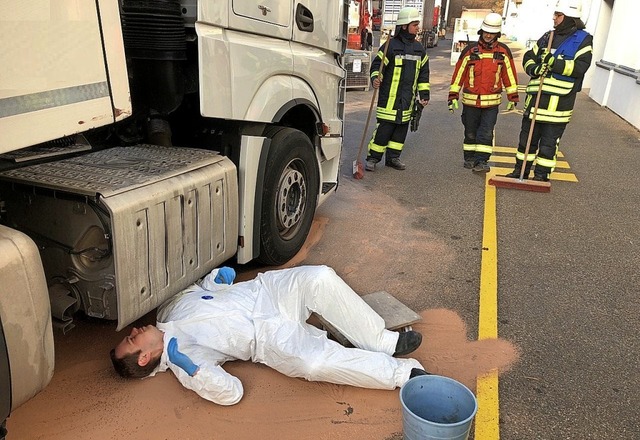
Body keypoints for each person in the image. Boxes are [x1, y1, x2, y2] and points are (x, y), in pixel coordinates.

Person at [110, 265, 425, 405]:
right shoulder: (185, 363)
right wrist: (195, 370)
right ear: (144, 357)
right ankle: (404, 373)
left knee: (320, 276)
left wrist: (216, 280)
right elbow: (231, 393)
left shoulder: (166, 312)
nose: (134, 331)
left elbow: (202, 291)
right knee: (312, 364)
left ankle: (385, 342)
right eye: (132, 340)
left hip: (265, 293)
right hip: (267, 337)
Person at [505, 0, 593, 181]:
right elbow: (530, 56)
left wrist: (554, 63)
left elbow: (580, 67)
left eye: (558, 15)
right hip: (535, 100)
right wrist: (534, 69)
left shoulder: (583, 40)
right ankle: (519, 171)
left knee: (548, 144)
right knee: (526, 141)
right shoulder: (548, 36)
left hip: (558, 105)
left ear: (570, 18)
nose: (554, 18)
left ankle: (541, 176)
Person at [448, 12, 519, 173]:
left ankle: (482, 161)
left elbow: (509, 74)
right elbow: (459, 74)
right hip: (471, 102)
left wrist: (512, 96)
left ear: (497, 34)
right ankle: (469, 158)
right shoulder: (469, 51)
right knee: (470, 132)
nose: (488, 35)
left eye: (492, 33)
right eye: (486, 32)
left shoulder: (503, 52)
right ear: (481, 31)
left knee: (486, 133)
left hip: (491, 104)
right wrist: (453, 95)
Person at [365, 7, 430, 172]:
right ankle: (373, 158)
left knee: (400, 133)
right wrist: (375, 78)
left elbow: (423, 74)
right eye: (415, 24)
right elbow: (377, 66)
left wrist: (424, 94)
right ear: (404, 26)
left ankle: (393, 158)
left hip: (407, 100)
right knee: (383, 132)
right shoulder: (390, 46)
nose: (417, 28)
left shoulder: (419, 49)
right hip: (389, 100)